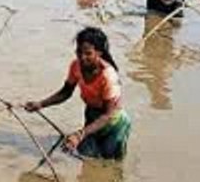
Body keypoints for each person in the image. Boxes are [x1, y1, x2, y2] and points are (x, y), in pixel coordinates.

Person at [23, 27, 132, 160]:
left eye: (88, 53)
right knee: (87, 157)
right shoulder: (76, 66)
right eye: (79, 52)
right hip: (92, 116)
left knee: (110, 164)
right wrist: (40, 104)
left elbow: (108, 115)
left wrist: (79, 135)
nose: (82, 57)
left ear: (99, 53)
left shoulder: (108, 76)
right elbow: (66, 92)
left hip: (113, 123)